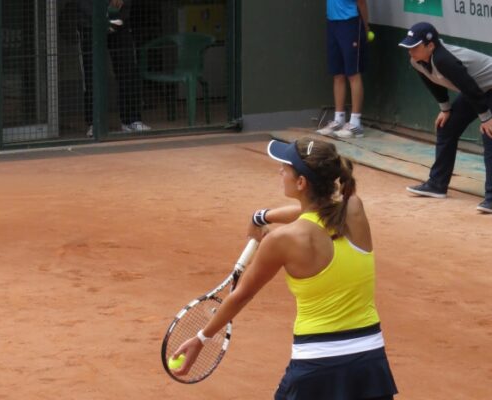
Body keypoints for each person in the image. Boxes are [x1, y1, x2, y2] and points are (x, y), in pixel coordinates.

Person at [171, 137, 398, 399]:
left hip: (316, 366)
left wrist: (201, 338)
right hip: (369, 363)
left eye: (285, 168)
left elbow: (241, 295)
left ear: (301, 183)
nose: (280, 171)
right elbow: (317, 212)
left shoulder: (281, 240)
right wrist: (261, 216)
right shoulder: (354, 209)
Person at [399, 22, 492, 214]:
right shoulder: (416, 61)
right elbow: (432, 82)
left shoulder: (444, 59)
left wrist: (486, 118)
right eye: (409, 46)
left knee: (490, 135)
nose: (410, 51)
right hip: (477, 90)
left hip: (484, 88)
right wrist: (445, 108)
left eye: (415, 47)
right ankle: (437, 184)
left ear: (430, 45)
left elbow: (468, 87)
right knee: (446, 127)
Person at [77, 0, 151, 137]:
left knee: (128, 69)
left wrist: (119, 7)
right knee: (92, 74)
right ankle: (95, 123)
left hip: (119, 22)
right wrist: (100, 16)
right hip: (90, 24)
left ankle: (131, 120)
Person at [316, 0, 369, 139]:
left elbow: (361, 2)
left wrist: (365, 27)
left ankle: (356, 123)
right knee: (338, 74)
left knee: (353, 74)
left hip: (351, 22)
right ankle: (339, 120)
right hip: (332, 22)